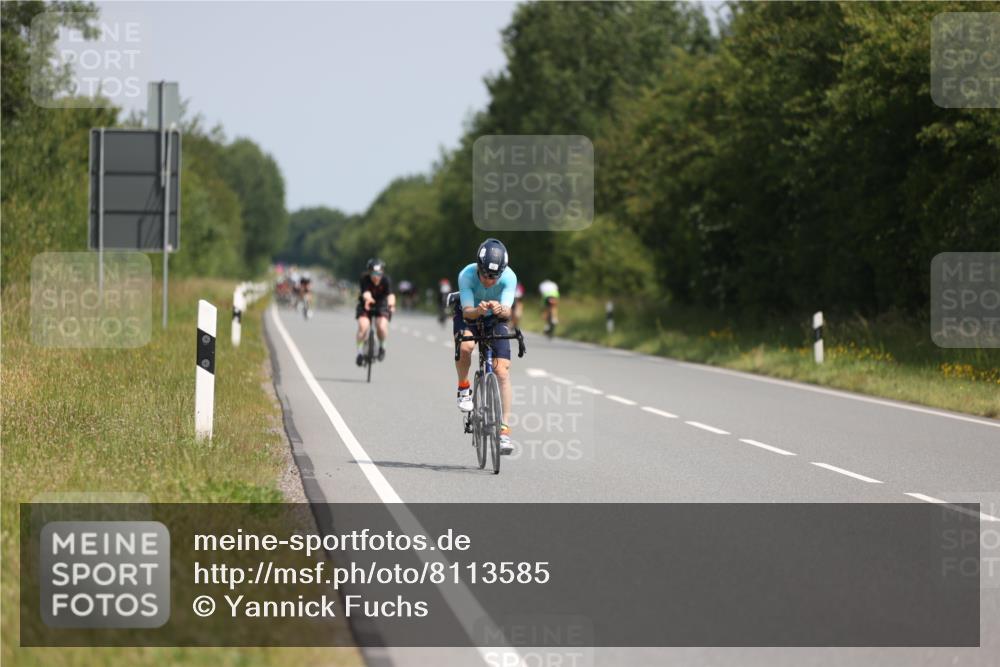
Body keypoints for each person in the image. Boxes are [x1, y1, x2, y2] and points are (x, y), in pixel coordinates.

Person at [454, 238, 518, 455]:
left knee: (502, 371)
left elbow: (508, 312)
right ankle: (464, 388)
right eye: (485, 275)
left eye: (494, 277)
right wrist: (478, 311)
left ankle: (504, 431)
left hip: (496, 319)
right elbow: (467, 312)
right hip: (470, 315)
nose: (489, 281)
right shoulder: (466, 275)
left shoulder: (509, 277)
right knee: (466, 347)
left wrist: (501, 309)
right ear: (478, 268)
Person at [355, 258, 395, 365]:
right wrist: (368, 299)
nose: (376, 276)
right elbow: (365, 292)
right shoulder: (364, 279)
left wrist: (391, 305)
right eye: (373, 273)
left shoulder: (386, 280)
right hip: (366, 303)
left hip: (381, 304)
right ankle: (359, 353)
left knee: (381, 326)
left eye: (378, 273)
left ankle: (382, 347)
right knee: (363, 326)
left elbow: (390, 295)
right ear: (369, 272)